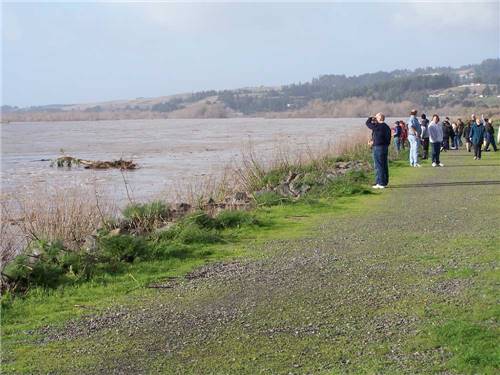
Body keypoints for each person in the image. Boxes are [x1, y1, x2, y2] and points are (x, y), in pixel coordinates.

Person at [365, 113, 391, 189]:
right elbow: (383, 137)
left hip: (378, 148)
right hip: (384, 147)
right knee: (384, 165)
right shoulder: (386, 126)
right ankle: (383, 182)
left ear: (379, 118)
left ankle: (380, 183)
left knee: (378, 165)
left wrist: (370, 118)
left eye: (376, 117)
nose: (375, 118)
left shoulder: (379, 126)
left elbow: (368, 124)